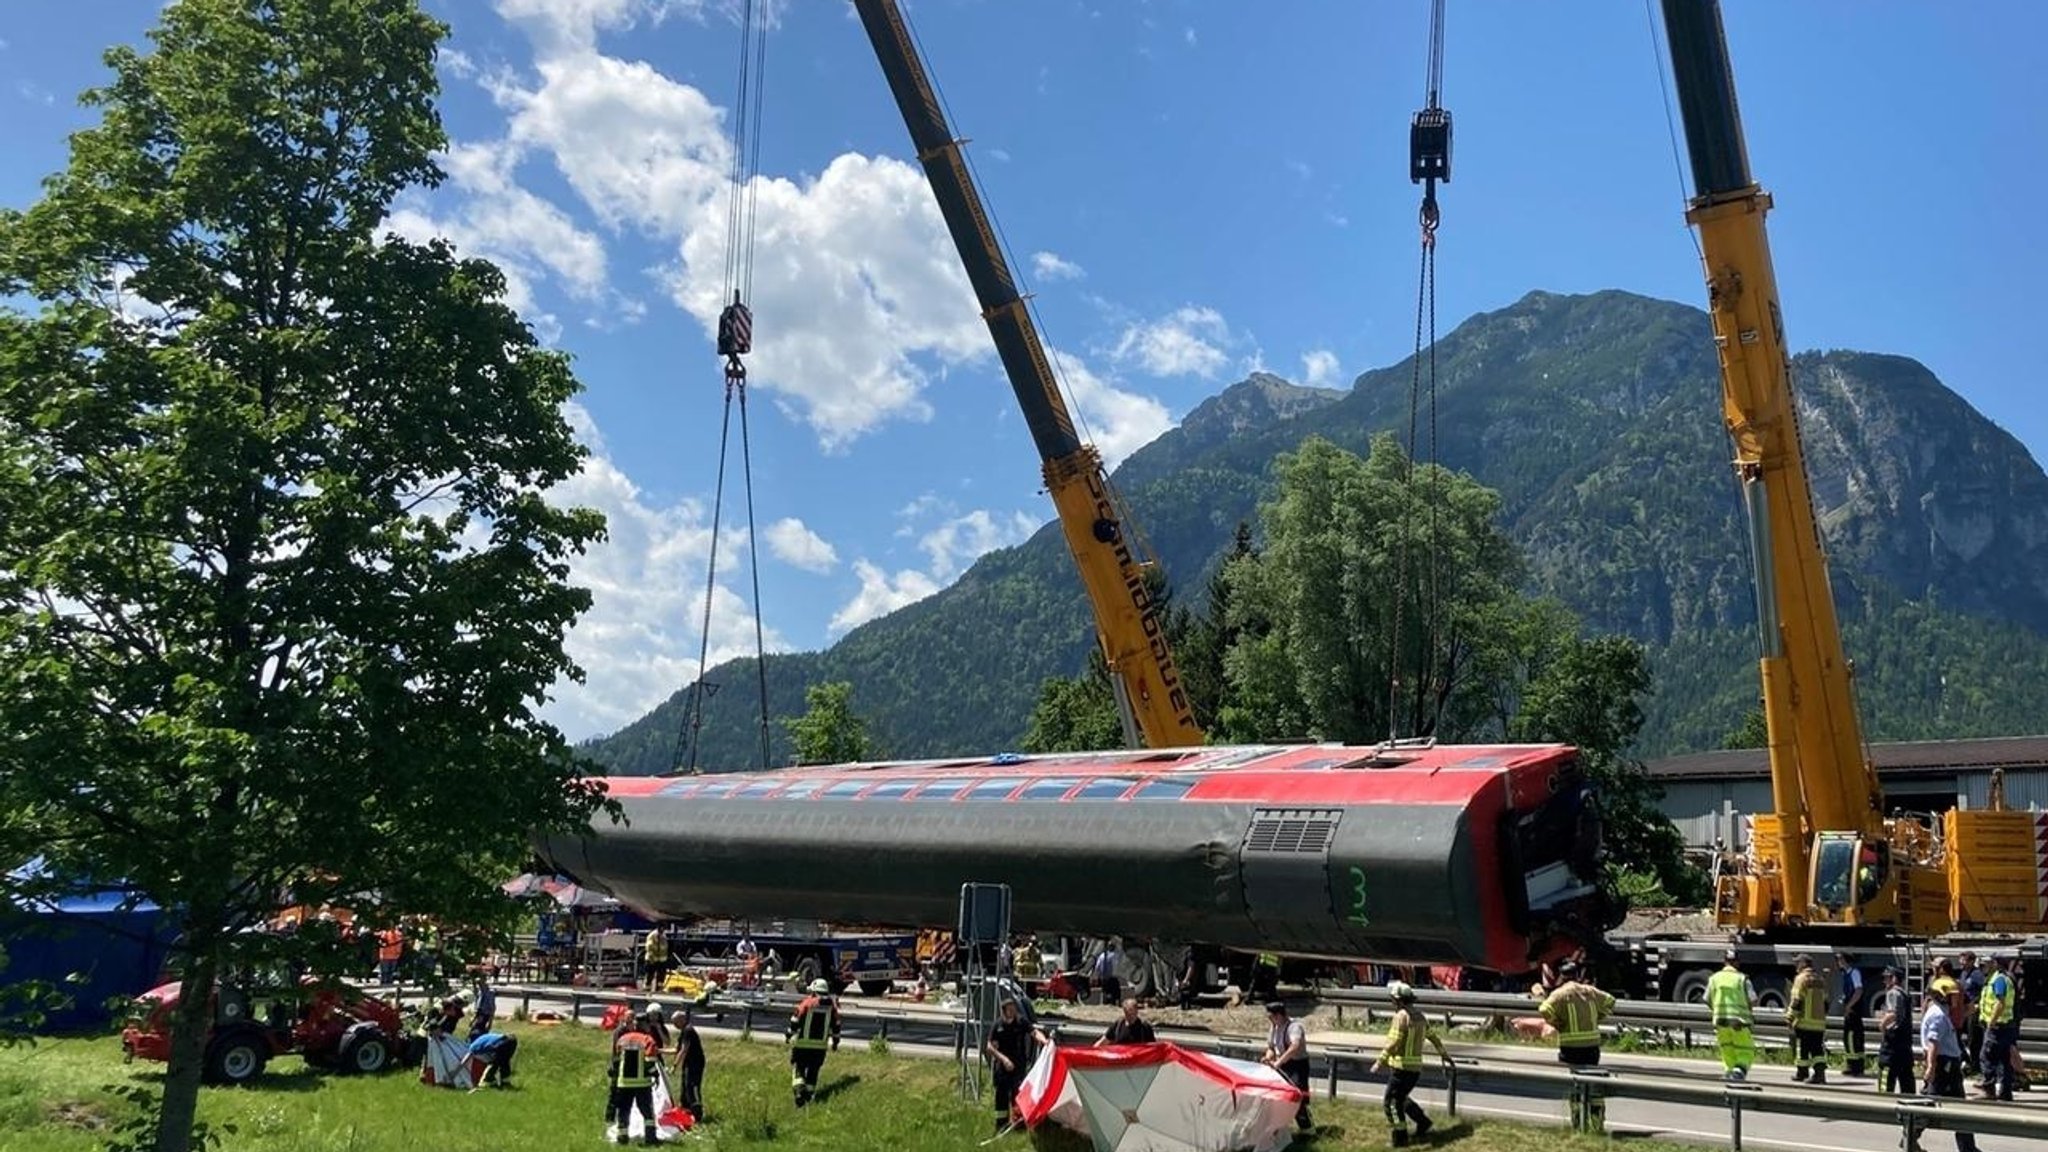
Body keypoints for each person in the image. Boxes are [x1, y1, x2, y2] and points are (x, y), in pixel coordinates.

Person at [1539, 961, 1616, 1132]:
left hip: (1571, 1048)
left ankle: (1577, 1123)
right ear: (1578, 975)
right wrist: (1598, 1017)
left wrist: (1557, 1023)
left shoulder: (1560, 994)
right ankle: (1597, 1122)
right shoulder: (1589, 991)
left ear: (1561, 976)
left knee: (1575, 1084)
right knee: (1594, 1082)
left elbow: (1544, 1009)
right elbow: (1611, 1000)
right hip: (1592, 1047)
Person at [1369, 981, 1445, 1146]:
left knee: (1391, 1103)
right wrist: (1444, 1054)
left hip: (1401, 1068)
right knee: (1402, 1098)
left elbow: (1393, 1042)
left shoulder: (1401, 1016)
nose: (1392, 1003)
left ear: (1399, 1000)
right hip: (1415, 1069)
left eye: (1393, 1000)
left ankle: (1400, 1138)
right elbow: (1433, 1037)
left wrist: (1379, 1061)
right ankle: (1423, 1122)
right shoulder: (1420, 1016)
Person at [1922, 989, 1980, 1152]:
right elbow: (1933, 1043)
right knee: (1929, 1106)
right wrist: (1931, 1068)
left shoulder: (1942, 1013)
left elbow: (1968, 1010)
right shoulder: (1938, 1015)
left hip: (1948, 1066)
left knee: (1955, 1109)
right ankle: (1910, 1137)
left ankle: (1968, 1148)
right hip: (1944, 1067)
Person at [986, 996, 1047, 1135]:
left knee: (1017, 1096)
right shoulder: (998, 1026)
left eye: (1014, 1009)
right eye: (1010, 1010)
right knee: (1001, 1097)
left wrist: (1044, 1041)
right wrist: (1003, 1059)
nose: (1013, 1012)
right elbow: (990, 1047)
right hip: (1003, 1068)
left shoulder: (1021, 1022)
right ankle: (1001, 1125)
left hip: (1019, 1066)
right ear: (1004, 1011)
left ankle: (1018, 1125)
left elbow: (1034, 1032)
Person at [785, 978, 841, 1106]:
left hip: (802, 1045)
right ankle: (809, 1096)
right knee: (813, 1071)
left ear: (814, 991)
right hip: (820, 1048)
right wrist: (835, 1042)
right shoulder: (832, 1007)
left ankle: (799, 1093)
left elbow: (795, 1021)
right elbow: (837, 1025)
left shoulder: (807, 1003)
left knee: (798, 1069)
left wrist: (789, 1035)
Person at [606, 1019, 662, 1146]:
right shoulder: (648, 1040)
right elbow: (649, 1063)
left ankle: (622, 1137)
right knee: (647, 1112)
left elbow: (617, 1060)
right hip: (642, 1084)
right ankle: (650, 1138)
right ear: (645, 1027)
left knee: (624, 1111)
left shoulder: (623, 1039)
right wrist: (656, 1074)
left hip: (623, 1083)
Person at [1262, 1000, 1314, 1135]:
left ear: (1278, 1015)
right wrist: (1269, 1057)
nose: (1270, 1020)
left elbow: (1294, 1047)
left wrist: (1278, 1062)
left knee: (1296, 1096)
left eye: (1271, 1017)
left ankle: (1307, 1128)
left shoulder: (1294, 1027)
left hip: (1297, 1065)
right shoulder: (1274, 1027)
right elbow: (1271, 1047)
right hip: (1282, 1063)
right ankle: (1278, 1127)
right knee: (1277, 1095)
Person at [1706, 951, 1758, 1081]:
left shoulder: (1714, 978)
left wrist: (1716, 1009)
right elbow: (1753, 1000)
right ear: (1737, 963)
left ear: (1724, 962)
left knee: (1727, 1048)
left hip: (1720, 1021)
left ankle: (1729, 1071)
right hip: (1738, 1022)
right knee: (1746, 1049)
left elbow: (1706, 998)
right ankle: (1739, 1070)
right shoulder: (1742, 978)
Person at [1976, 954, 2017, 1101]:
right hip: (2006, 1026)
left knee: (1986, 1056)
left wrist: (1991, 1022)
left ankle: (1989, 1090)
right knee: (2004, 1060)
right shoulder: (1999, 979)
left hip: (1997, 1027)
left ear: (1993, 965)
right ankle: (2006, 1093)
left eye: (1984, 966)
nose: (1982, 969)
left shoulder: (1998, 980)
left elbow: (2000, 1003)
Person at [1874, 966, 1916, 1095]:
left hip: (1892, 1048)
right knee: (1907, 1082)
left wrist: (1882, 1024)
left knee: (1885, 1085)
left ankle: (1884, 1109)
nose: (1884, 981)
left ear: (1894, 978)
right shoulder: (1905, 993)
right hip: (1905, 1046)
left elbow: (1892, 1014)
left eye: (1887, 978)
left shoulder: (1893, 993)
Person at [1788, 954, 1829, 1083]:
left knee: (1804, 1048)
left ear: (1804, 964)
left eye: (1797, 962)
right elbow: (1826, 1001)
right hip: (1819, 1023)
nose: (1795, 965)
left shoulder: (1801, 979)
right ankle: (1819, 1074)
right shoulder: (1820, 979)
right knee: (1817, 1048)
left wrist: (1790, 1017)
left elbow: (1797, 1000)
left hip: (1805, 1021)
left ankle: (1803, 1072)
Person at [668, 1006, 705, 1122]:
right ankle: (685, 1112)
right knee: (684, 1086)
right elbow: (676, 1050)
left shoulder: (688, 1030)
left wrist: (674, 1066)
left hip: (695, 1063)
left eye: (675, 1022)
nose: (674, 1025)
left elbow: (684, 1050)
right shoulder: (683, 1032)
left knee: (692, 1087)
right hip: (688, 1063)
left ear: (682, 1019)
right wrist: (658, 1050)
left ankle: (697, 1114)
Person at [1837, 952, 1867, 1077]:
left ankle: (1854, 1066)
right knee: (1852, 1038)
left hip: (1854, 1010)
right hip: (1851, 1008)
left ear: (1845, 960)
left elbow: (1859, 990)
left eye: (1839, 959)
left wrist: (1849, 1005)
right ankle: (1855, 1065)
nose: (1838, 962)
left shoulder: (1854, 973)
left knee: (1851, 1038)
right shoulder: (1846, 974)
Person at [1958, 951, 1985, 1076]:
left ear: (1971, 961)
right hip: (1963, 1009)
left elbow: (1983, 991)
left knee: (1974, 1039)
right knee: (1956, 1035)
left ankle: (1976, 1066)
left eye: (1964, 960)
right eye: (1961, 960)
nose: (1961, 963)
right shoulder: (1963, 974)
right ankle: (1965, 1059)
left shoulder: (1977, 975)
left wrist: (1976, 1003)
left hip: (1974, 1011)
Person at [468, 975, 497, 1043]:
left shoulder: (490, 993)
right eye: (478, 983)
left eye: (480, 983)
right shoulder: (480, 992)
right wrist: (473, 1019)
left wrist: (490, 1022)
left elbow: (492, 1009)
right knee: (472, 1033)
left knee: (479, 1034)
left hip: (485, 1015)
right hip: (478, 1015)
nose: (479, 985)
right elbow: (477, 1007)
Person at [642, 928, 671, 992]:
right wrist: (651, 958)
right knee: (650, 975)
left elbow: (665, 947)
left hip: (661, 960)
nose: (663, 929)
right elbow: (649, 948)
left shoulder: (663, 935)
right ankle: (646, 989)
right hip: (653, 959)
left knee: (661, 976)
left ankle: (659, 989)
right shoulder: (652, 935)